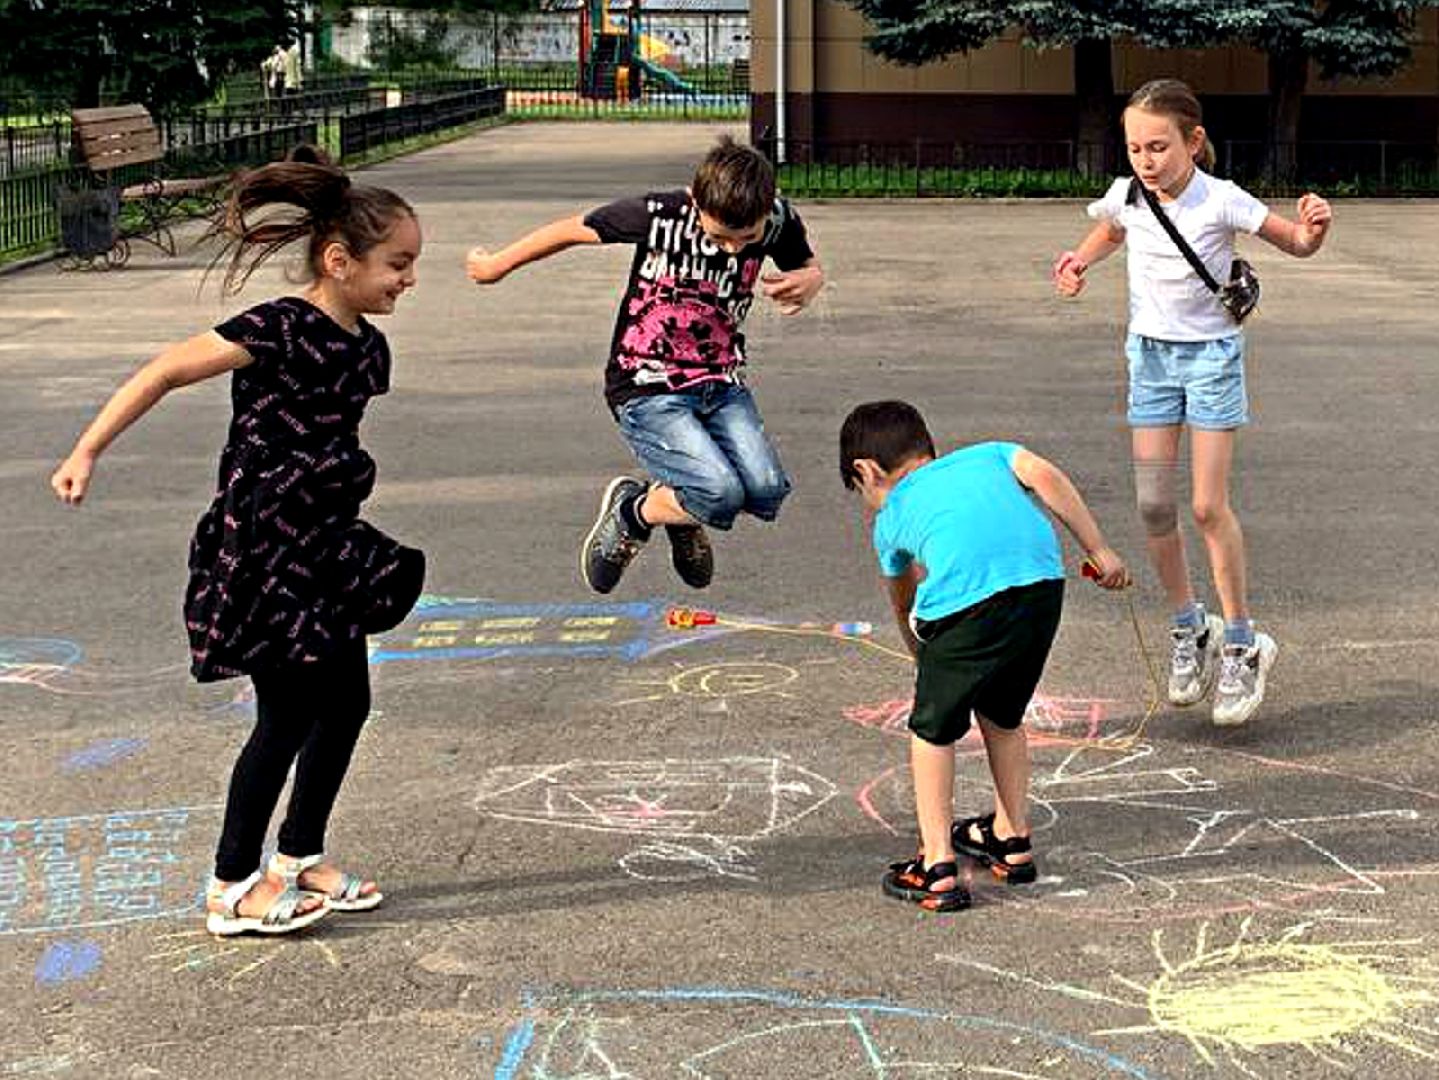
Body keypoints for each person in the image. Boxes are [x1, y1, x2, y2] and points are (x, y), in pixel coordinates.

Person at [50, 150, 425, 936]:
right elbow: (164, 371)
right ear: (338, 261)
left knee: (347, 704)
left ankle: (297, 856)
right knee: (285, 715)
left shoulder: (367, 347)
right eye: (397, 263)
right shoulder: (278, 328)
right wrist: (86, 450)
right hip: (264, 550)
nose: (408, 279)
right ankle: (230, 886)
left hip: (326, 547)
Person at [1052, 78, 1332, 727]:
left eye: (1158, 147)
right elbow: (1111, 231)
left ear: (1193, 141)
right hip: (1149, 359)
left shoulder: (1221, 199)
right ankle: (1189, 626)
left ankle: (1241, 642)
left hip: (1210, 359)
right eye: (1134, 148)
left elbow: (1294, 242)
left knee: (1206, 505)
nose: (1145, 161)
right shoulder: (1128, 194)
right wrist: (1078, 261)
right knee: (1154, 505)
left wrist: (1314, 228)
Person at [466, 135, 824, 594]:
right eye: (719, 237)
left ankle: (677, 506)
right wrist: (495, 265)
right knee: (719, 494)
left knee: (767, 491)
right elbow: (572, 229)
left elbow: (806, 264)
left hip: (720, 381)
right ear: (697, 203)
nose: (733, 250)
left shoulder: (776, 219)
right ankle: (633, 513)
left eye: (747, 239)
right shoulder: (660, 215)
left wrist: (811, 279)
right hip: (646, 383)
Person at [840, 400, 1129, 912]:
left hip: (964, 607)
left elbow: (904, 600)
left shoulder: (891, 518)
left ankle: (937, 865)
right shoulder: (990, 455)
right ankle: (1012, 838)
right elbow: (1046, 476)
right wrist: (1098, 548)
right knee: (1002, 713)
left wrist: (919, 654)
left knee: (932, 730)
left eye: (861, 492)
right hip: (1041, 588)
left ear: (866, 471)